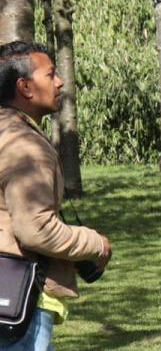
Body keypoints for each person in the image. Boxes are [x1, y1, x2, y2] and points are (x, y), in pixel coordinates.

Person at [0, 41, 112, 350]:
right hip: (18, 297)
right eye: (50, 75)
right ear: (25, 87)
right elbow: (35, 230)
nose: (60, 81)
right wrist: (95, 244)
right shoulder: (25, 147)